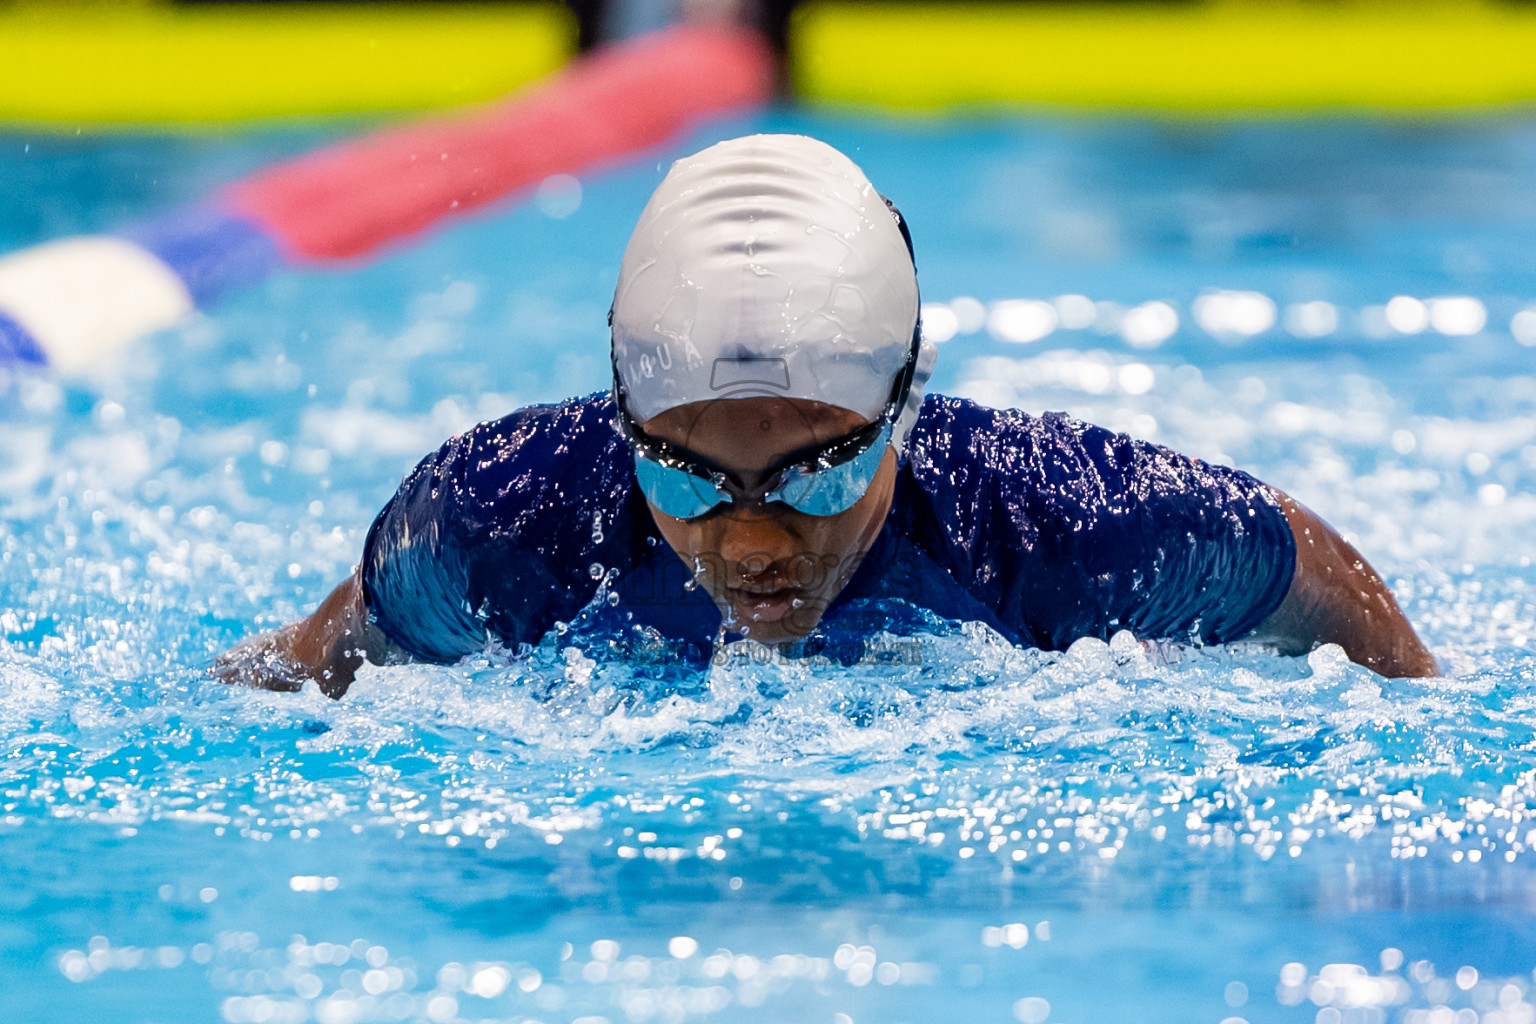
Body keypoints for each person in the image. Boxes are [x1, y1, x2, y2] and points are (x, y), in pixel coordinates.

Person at [215, 134, 1437, 698]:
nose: (753, 543)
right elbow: (308, 664)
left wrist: (1420, 700)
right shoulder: (505, 519)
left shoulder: (1056, 521)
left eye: (815, 477)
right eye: (688, 479)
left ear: (904, 406)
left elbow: (1309, 565)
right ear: (627, 425)